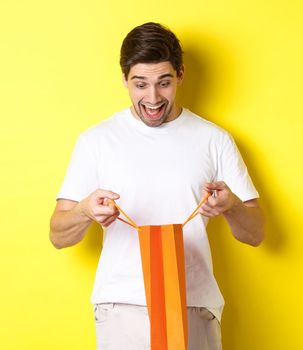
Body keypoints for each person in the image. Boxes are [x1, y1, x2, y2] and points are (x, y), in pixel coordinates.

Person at [49, 22, 264, 350]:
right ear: (124, 80)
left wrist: (232, 205)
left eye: (163, 83)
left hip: (193, 302)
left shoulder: (214, 139)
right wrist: (84, 210)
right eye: (140, 85)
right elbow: (58, 235)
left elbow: (255, 234)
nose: (152, 98)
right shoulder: (96, 141)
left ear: (180, 74)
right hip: (122, 305)